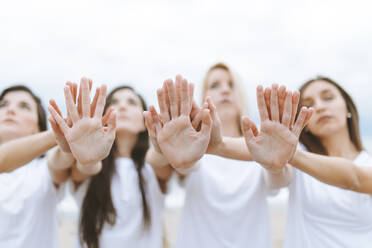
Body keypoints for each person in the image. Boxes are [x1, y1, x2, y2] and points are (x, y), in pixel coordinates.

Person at [145, 65, 311, 248]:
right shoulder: (195, 146)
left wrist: (275, 165)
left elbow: (278, 181)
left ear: (240, 96)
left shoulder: (260, 143)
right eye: (215, 85)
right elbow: (181, 165)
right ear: (203, 96)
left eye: (231, 85)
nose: (225, 89)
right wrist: (161, 149)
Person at [0, 85, 73, 248]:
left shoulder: (45, 168)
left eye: (24, 106)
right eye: (3, 105)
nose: (10, 110)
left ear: (38, 128)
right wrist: (59, 133)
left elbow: (62, 159)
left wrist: (69, 140)